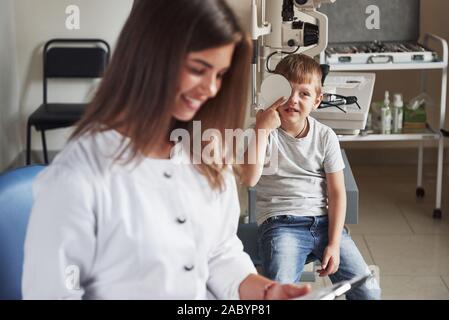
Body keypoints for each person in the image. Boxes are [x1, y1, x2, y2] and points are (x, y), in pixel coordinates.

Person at [21, 0, 313, 300]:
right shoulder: (81, 174)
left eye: (219, 75)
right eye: (199, 69)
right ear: (150, 58)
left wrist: (265, 293)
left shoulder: (204, 152)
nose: (211, 89)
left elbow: (219, 253)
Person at [240, 54, 381, 300]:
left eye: (303, 94)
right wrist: (261, 129)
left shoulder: (326, 136)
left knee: (368, 290)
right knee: (282, 292)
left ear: (317, 101)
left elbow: (337, 193)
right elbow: (249, 178)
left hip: (324, 224)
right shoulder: (262, 133)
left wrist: (334, 244)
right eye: (286, 91)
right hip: (281, 225)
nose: (293, 100)